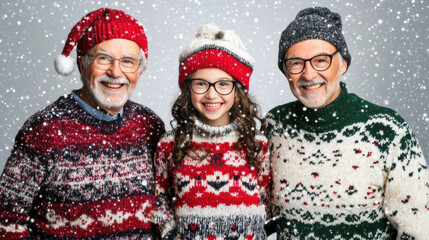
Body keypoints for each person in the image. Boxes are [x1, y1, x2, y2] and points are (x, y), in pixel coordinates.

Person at [264, 6, 429, 240]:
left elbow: (419, 228)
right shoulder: (273, 126)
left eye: (321, 60)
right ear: (285, 70)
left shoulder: (388, 130)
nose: (309, 75)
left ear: (342, 65)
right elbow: (253, 213)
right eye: (296, 63)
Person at [0, 8, 165, 239]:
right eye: (103, 58)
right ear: (81, 64)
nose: (115, 72)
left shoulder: (150, 125)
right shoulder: (44, 130)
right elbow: (7, 222)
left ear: (140, 69)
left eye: (128, 61)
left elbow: (165, 208)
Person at [152, 24, 271, 240]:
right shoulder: (170, 144)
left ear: (238, 90)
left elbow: (266, 199)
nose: (212, 94)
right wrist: (171, 235)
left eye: (223, 84)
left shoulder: (256, 144)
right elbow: (158, 199)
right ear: (188, 88)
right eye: (201, 84)